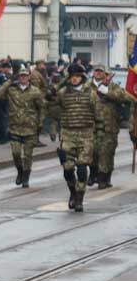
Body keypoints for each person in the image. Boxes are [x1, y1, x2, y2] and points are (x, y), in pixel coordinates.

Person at [52, 62, 98, 210]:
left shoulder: (90, 93)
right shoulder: (63, 93)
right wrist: (57, 86)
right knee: (68, 168)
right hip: (68, 134)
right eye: (72, 76)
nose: (75, 79)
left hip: (86, 134)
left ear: (82, 77)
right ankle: (72, 192)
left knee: (82, 169)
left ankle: (79, 199)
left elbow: (98, 111)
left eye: (77, 76)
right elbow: (50, 104)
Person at [87, 66, 133, 188]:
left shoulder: (113, 87)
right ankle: (93, 173)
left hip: (109, 127)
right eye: (96, 71)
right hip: (91, 126)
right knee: (92, 152)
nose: (97, 73)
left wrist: (107, 92)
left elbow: (126, 98)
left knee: (106, 153)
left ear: (106, 74)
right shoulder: (87, 87)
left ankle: (104, 178)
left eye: (100, 71)